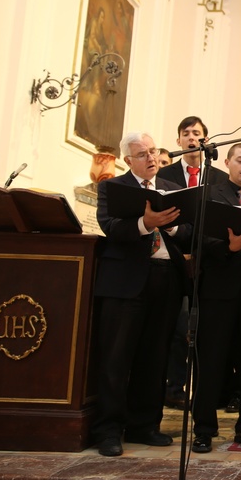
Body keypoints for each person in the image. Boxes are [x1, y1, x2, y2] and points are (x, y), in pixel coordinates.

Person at [91, 132, 191, 457]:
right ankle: (108, 430)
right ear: (127, 160)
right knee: (116, 357)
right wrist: (145, 224)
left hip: (166, 280)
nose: (151, 158)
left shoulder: (175, 191)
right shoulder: (112, 187)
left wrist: (172, 226)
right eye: (142, 154)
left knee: (155, 355)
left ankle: (145, 425)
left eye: (153, 152)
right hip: (125, 280)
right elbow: (110, 225)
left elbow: (190, 232)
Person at [190, 142, 241, 453]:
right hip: (218, 291)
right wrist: (231, 246)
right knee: (210, 363)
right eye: (240, 160)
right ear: (227, 162)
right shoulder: (210, 195)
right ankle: (204, 429)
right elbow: (199, 238)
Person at [157, 116, 231, 412]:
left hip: (208, 261)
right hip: (173, 258)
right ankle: (173, 388)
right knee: (175, 328)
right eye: (185, 133)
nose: (191, 138)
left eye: (196, 133)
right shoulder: (165, 174)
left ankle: (206, 391)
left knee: (203, 329)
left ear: (205, 140)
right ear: (178, 141)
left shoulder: (218, 178)